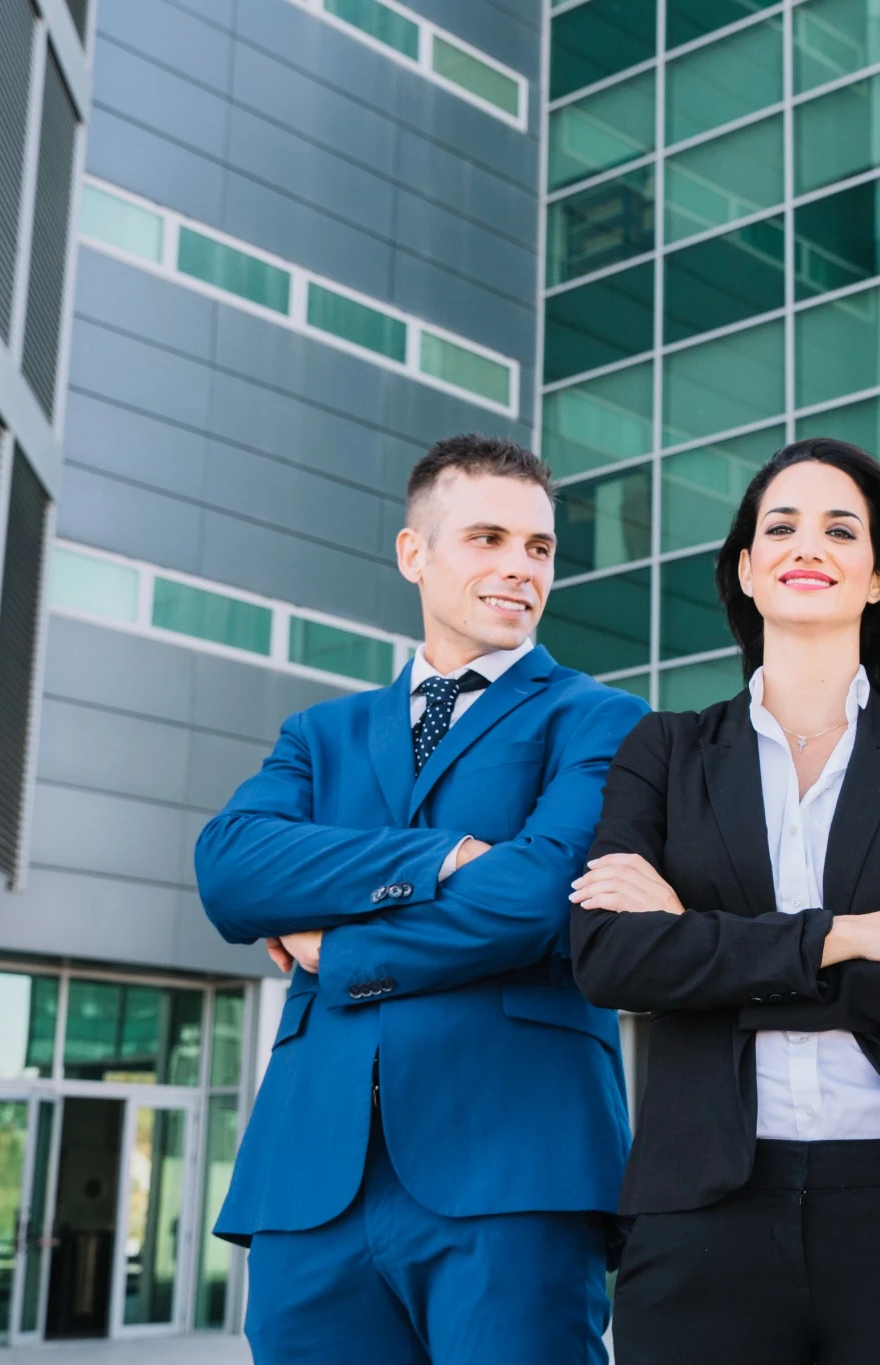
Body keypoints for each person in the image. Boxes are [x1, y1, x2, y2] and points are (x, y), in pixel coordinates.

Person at [567, 439, 880, 1365]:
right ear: (746, 569)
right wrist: (864, 933)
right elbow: (611, 960)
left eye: (839, 528)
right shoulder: (662, 749)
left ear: (876, 577)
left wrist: (701, 948)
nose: (805, 544)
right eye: (780, 526)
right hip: (704, 1211)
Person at [194, 435, 647, 1365]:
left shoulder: (600, 718)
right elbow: (231, 868)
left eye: (539, 548)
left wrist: (337, 946)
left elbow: (536, 896)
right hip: (312, 1180)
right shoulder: (320, 734)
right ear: (415, 554)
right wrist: (441, 854)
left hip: (515, 1166)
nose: (519, 568)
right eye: (487, 538)